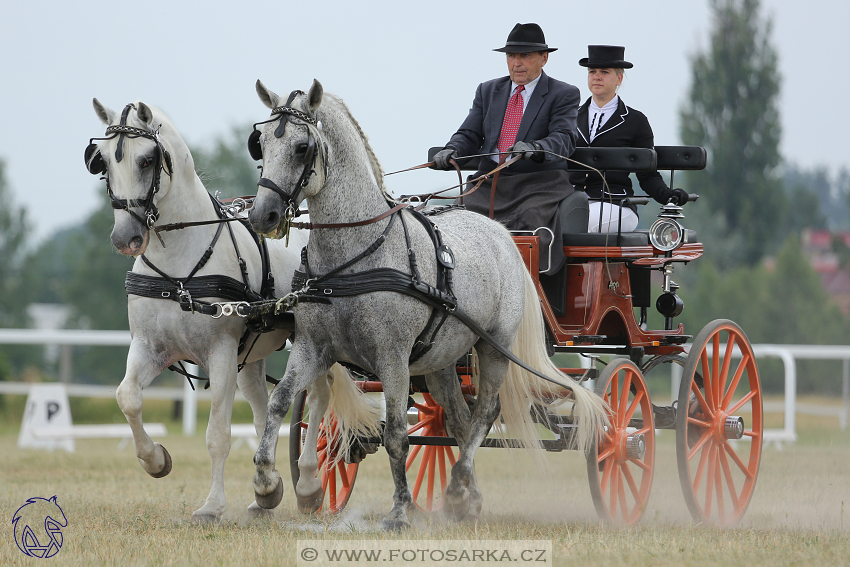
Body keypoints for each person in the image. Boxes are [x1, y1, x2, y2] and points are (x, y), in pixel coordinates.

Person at [431, 23, 580, 275]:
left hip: (538, 185)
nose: (517, 63)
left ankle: (530, 297)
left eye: (525, 56)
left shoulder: (563, 93)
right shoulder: (488, 90)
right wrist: (452, 149)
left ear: (544, 58)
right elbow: (469, 133)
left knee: (528, 225)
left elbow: (564, 137)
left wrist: (536, 147)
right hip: (489, 183)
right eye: (511, 56)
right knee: (451, 221)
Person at [570, 45, 688, 233]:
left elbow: (647, 174)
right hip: (572, 199)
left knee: (583, 220)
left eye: (604, 72)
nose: (596, 76)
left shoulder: (635, 121)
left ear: (619, 78)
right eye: (592, 71)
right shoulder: (570, 117)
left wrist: (667, 195)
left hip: (616, 204)